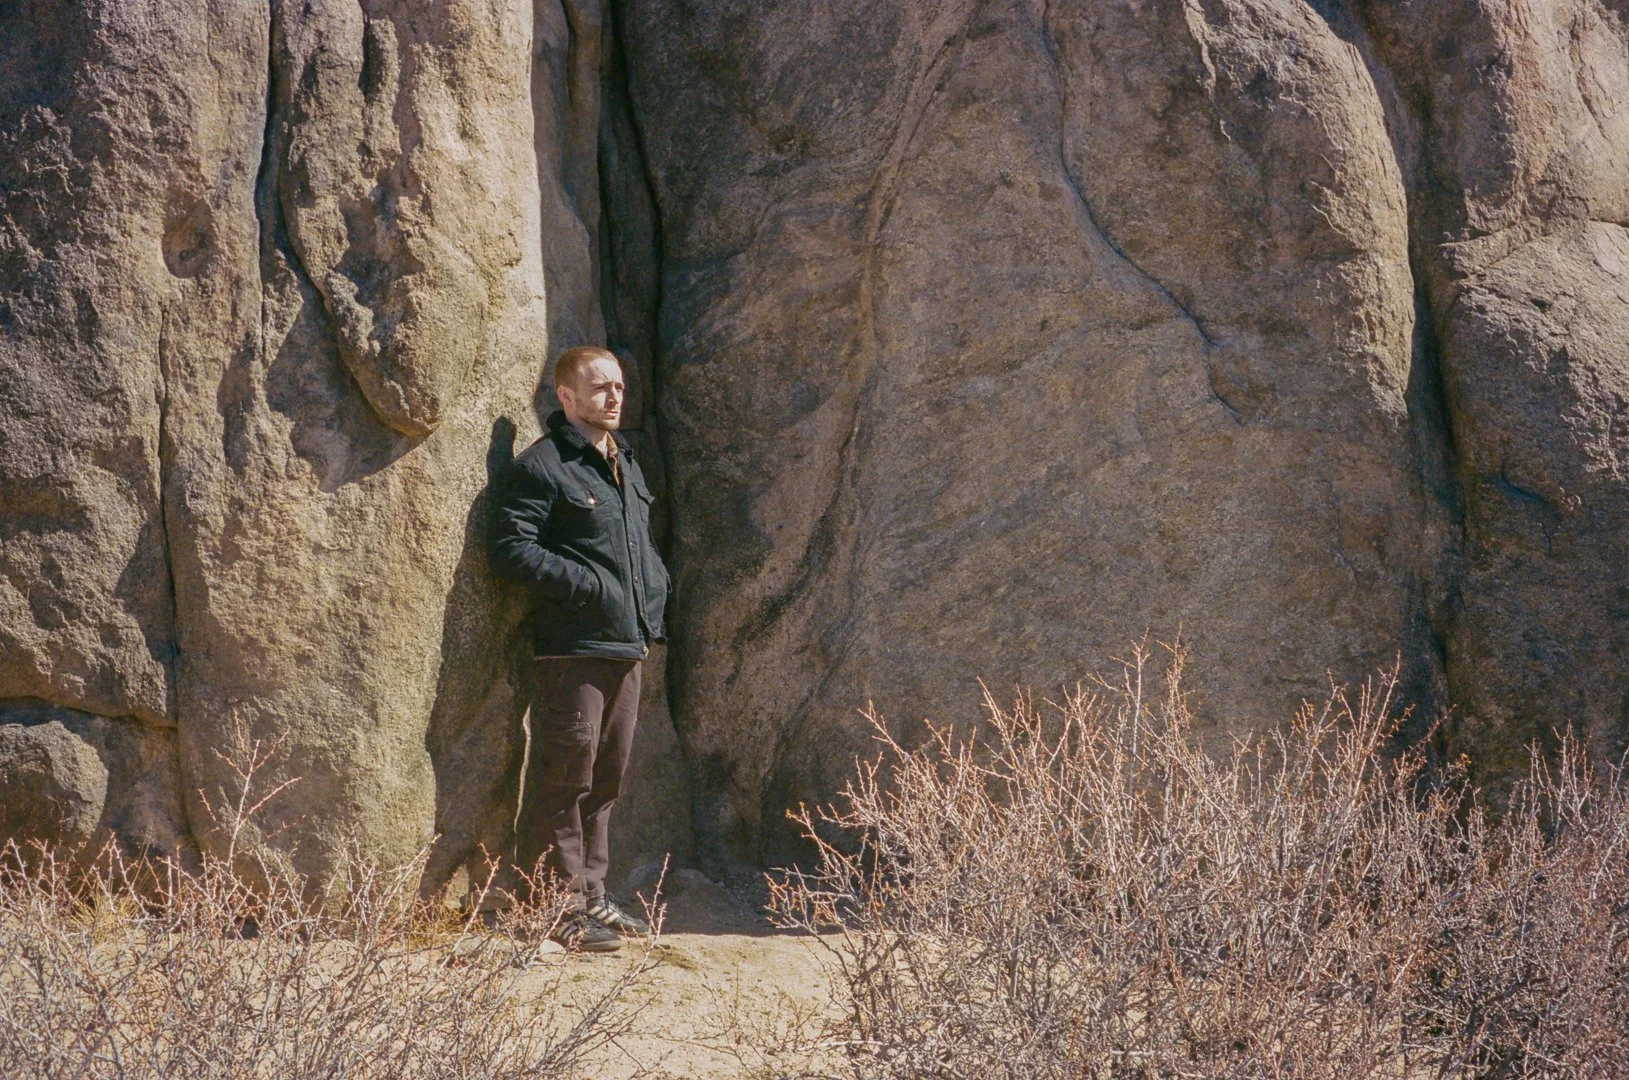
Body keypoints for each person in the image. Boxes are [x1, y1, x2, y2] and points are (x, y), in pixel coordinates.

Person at [490, 345, 670, 953]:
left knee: (606, 778)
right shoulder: (544, 466)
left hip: (627, 643)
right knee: (563, 778)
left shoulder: (625, 463)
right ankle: (552, 908)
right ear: (566, 397)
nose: (614, 397)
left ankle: (592, 897)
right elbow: (511, 548)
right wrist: (588, 587)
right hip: (571, 649)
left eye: (619, 386)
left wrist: (652, 590)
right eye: (600, 388)